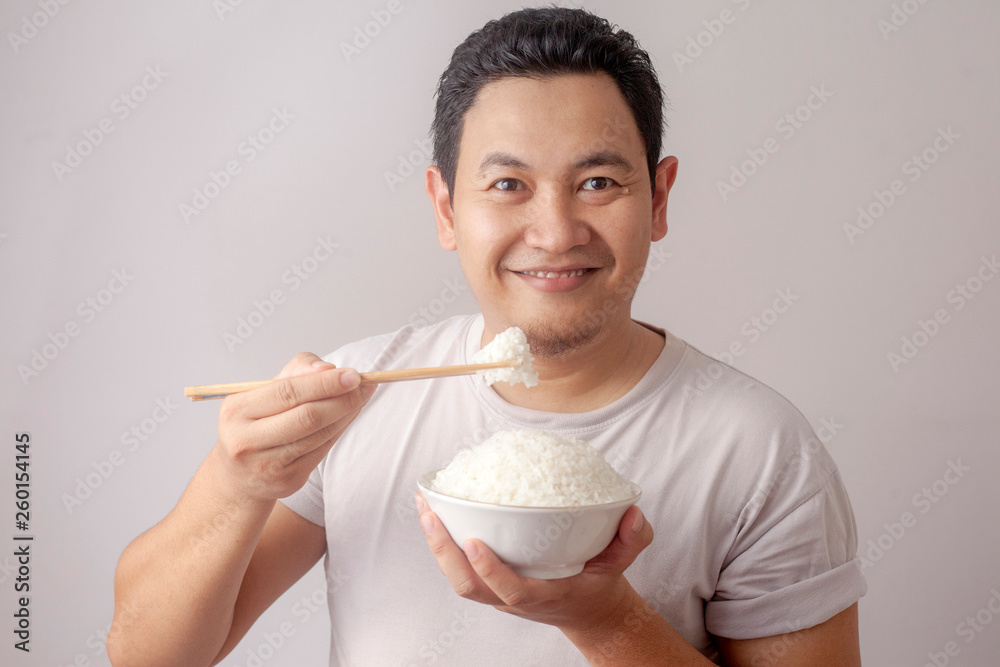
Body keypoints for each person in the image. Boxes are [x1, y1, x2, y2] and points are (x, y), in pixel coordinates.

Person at [109, 7, 865, 666]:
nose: (555, 231)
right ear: (444, 207)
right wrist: (235, 481)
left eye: (598, 182)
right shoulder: (356, 394)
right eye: (508, 185)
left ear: (659, 198)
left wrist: (603, 621)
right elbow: (147, 655)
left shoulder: (763, 448)